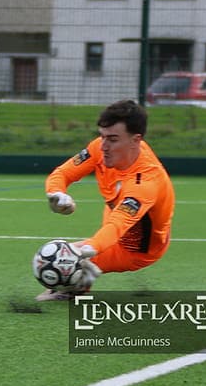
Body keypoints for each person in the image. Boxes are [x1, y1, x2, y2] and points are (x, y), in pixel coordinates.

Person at [38, 99, 175, 302]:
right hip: (115, 216)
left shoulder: (145, 182)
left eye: (112, 139)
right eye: (102, 136)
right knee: (56, 260)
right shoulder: (99, 148)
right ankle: (75, 284)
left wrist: (87, 251)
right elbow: (63, 173)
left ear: (136, 140)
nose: (103, 147)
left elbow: (117, 225)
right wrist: (57, 193)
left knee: (57, 261)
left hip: (136, 249)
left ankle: (73, 286)